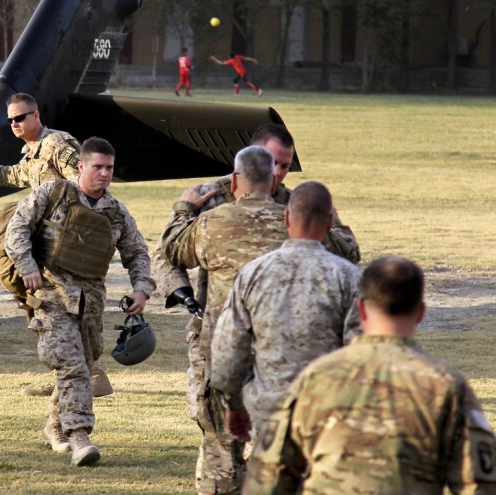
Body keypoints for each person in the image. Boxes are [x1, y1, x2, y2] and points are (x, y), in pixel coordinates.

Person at [150, 124, 358, 493]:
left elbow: (342, 253)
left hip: (272, 349)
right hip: (217, 339)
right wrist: (184, 296)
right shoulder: (210, 201)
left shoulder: (293, 208)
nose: (279, 173)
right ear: (251, 163)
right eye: (275, 164)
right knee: (220, 444)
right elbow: (166, 255)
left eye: (286, 166)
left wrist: (328, 220)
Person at [243, 257, 496, 495]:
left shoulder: (315, 378)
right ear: (421, 311)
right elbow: (483, 484)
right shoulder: (445, 385)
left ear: (360, 309)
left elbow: (269, 476)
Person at [4, 137, 155, 466]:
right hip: (51, 291)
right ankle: (79, 435)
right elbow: (16, 229)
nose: (104, 174)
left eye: (109, 168)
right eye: (97, 167)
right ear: (81, 166)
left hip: (91, 299)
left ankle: (54, 426)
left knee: (84, 366)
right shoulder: (53, 194)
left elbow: (136, 251)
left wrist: (141, 288)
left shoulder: (115, 212)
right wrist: (27, 267)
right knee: (70, 362)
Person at [160, 145, 287, 495]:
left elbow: (171, 249)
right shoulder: (291, 222)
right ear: (274, 181)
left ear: (234, 181)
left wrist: (185, 208)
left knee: (221, 445)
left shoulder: (213, 223)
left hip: (222, 351)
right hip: (276, 356)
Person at [0, 93, 113, 398]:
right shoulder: (32, 153)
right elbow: (12, 175)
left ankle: (93, 374)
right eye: (10, 120)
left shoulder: (57, 145)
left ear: (36, 116)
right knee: (45, 303)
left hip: (68, 242)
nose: (14, 124)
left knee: (72, 306)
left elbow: (86, 182)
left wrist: (71, 227)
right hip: (47, 242)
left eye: (20, 118)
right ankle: (64, 373)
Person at [210, 181, 361, 443]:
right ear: (329, 224)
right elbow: (362, 354)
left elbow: (228, 350)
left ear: (287, 217)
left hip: (269, 417)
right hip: (327, 420)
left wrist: (233, 404)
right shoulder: (348, 277)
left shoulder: (253, 274)